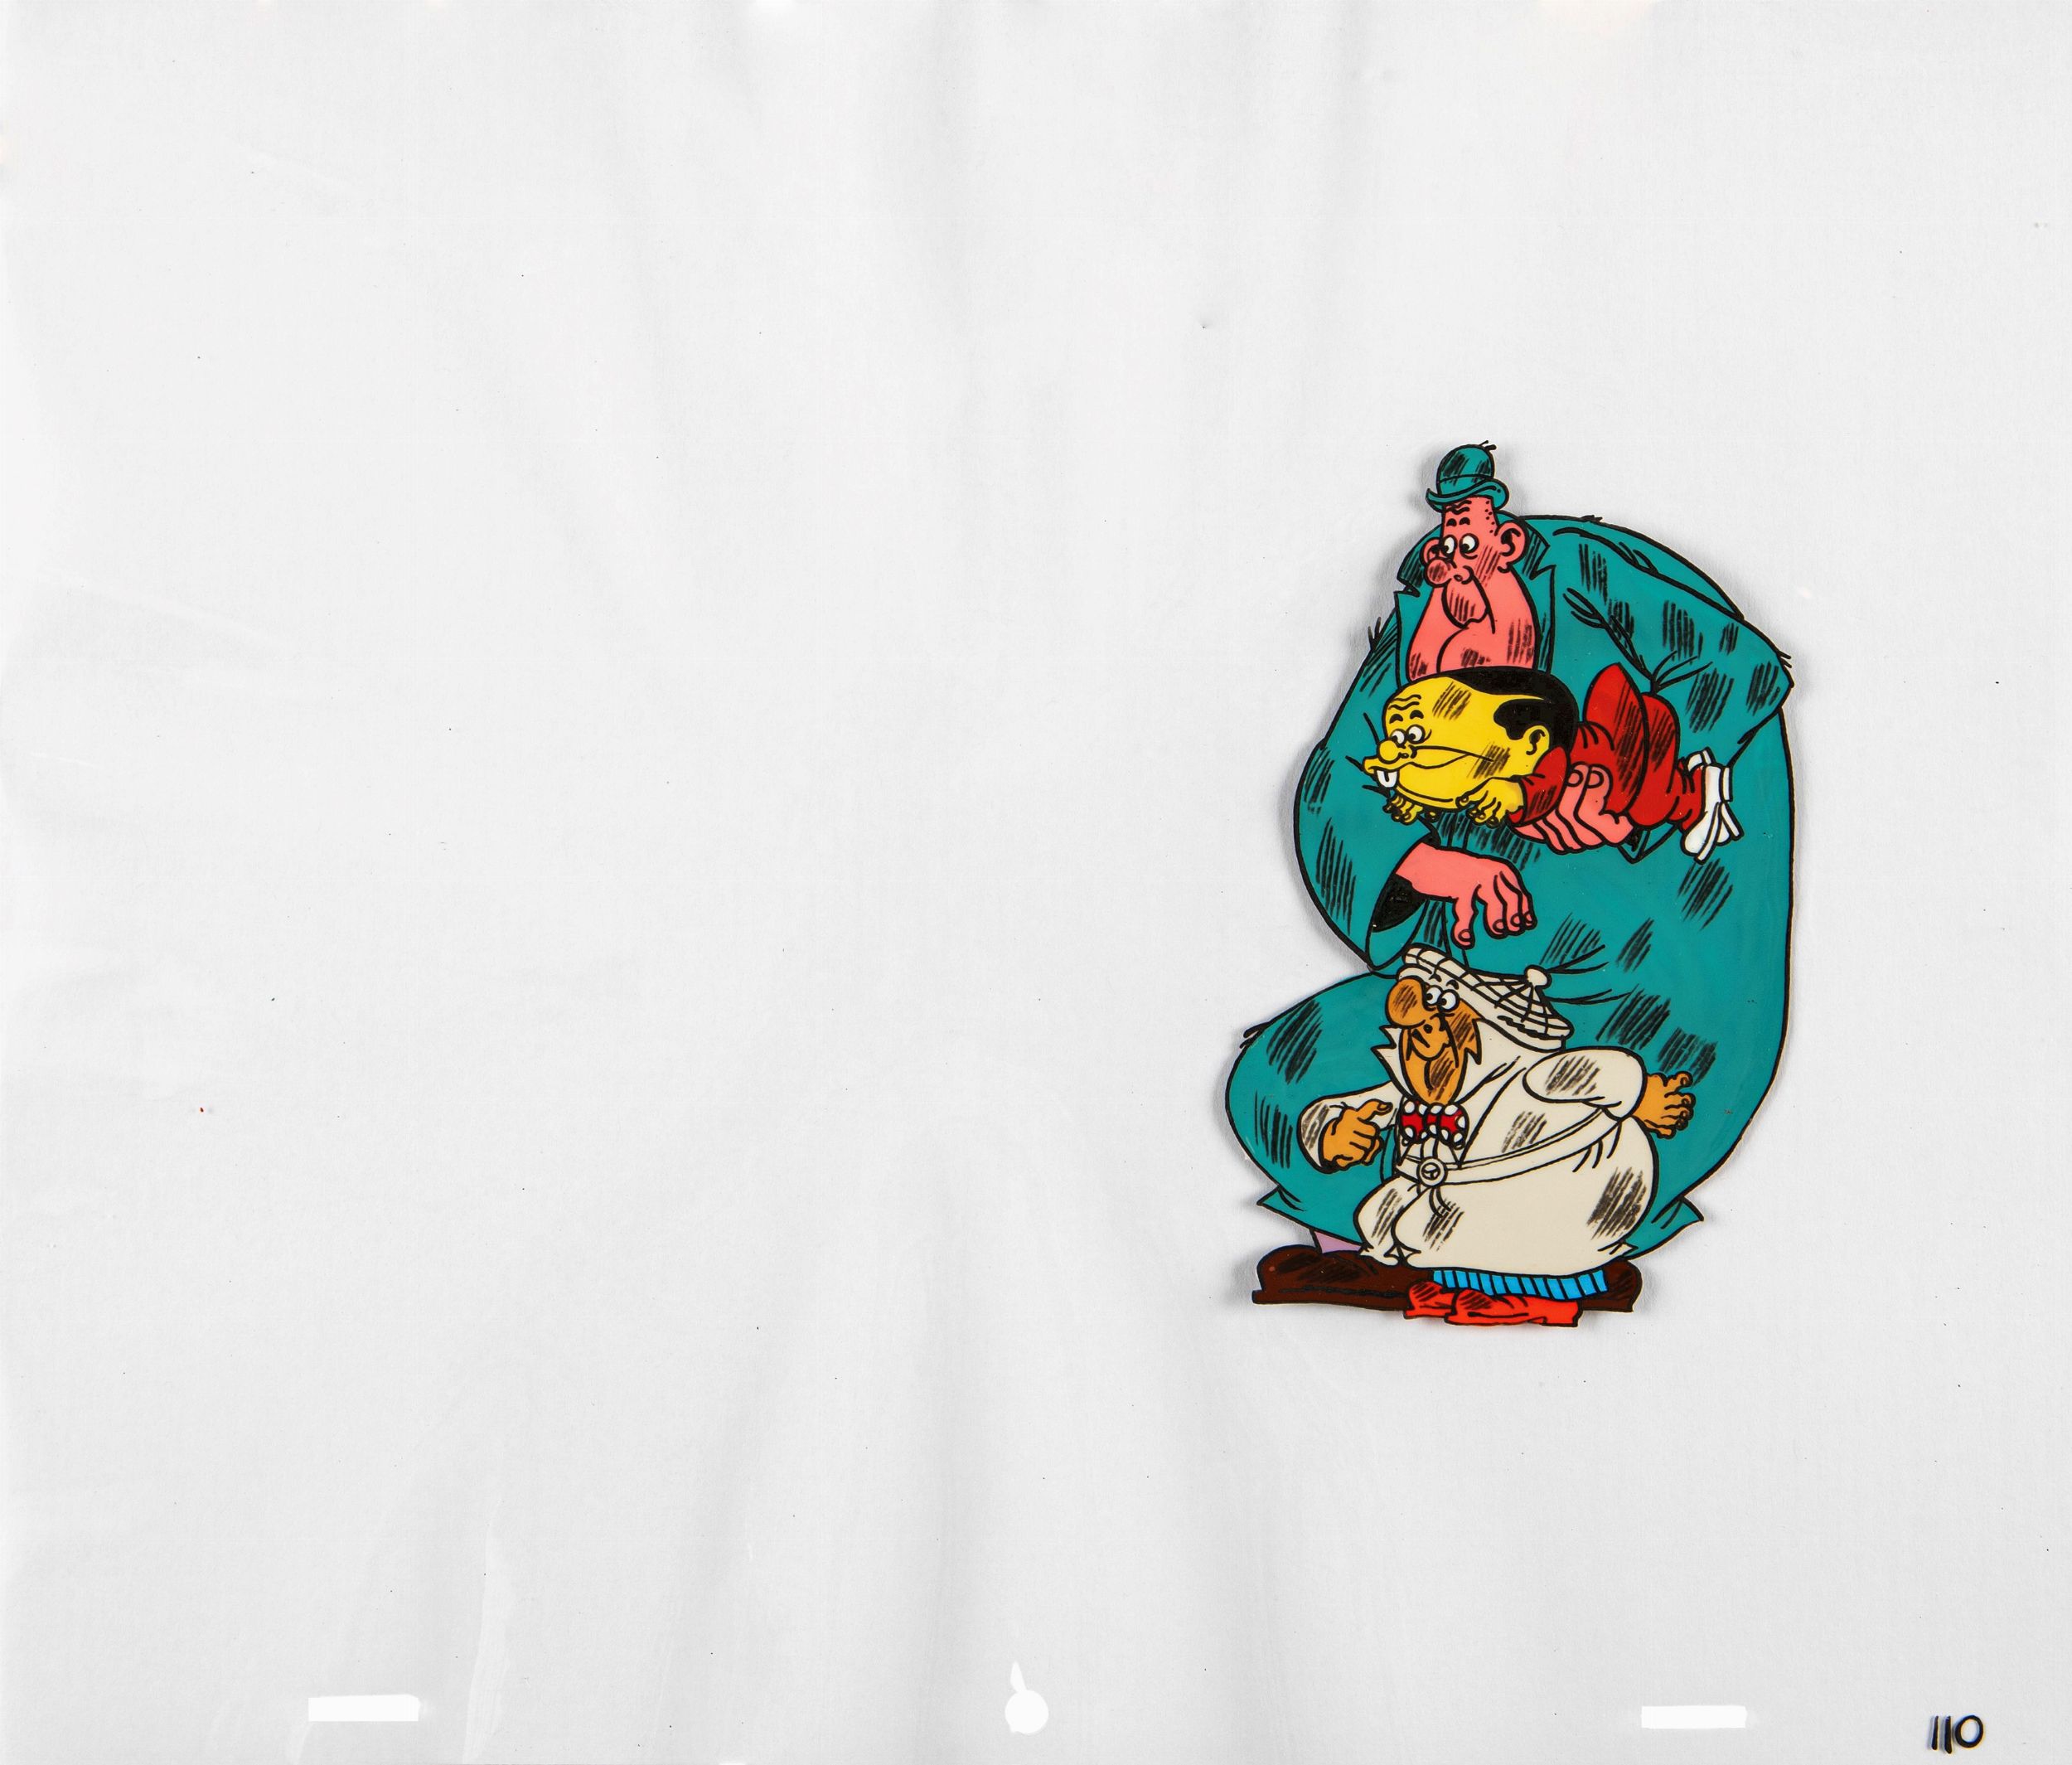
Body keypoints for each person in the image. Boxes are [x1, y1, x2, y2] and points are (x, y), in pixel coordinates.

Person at [1230, 444, 1792, 1312]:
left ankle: (1517, 1254)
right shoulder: (1427, 621)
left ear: (1510, 547)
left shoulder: (1590, 577)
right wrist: (1427, 861)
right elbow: (1338, 787)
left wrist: (1631, 782)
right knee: (1279, 1083)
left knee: (1594, 1127)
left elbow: (1739, 668)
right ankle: (1423, 1248)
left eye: (1470, 556)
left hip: (1642, 996)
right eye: (1438, 569)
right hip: (1468, 987)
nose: (1453, 603)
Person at [1288, 948, 1693, 1327]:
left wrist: (1641, 1094)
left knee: (1445, 1230)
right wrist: (1332, 1132)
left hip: (1569, 1204)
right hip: (1457, 1204)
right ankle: (1456, 1284)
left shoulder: (1534, 1077)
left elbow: (1602, 1069)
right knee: (1392, 1221)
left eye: (1438, 1021)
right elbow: (1342, 1108)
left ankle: (1539, 1298)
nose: (1423, 1038)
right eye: (1414, 1030)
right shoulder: (1417, 1090)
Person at [1362, 663, 1739, 861]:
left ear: (1532, 742)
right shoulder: (1480, 777)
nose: (1400, 748)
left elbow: (1550, 780)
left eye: (1417, 733)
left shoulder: (1547, 760)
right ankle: (1694, 787)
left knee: (1648, 804)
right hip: (1606, 786)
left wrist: (1518, 795)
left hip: (1618, 762)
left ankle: (1698, 798)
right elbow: (1441, 778)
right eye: (1399, 734)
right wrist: (1410, 794)